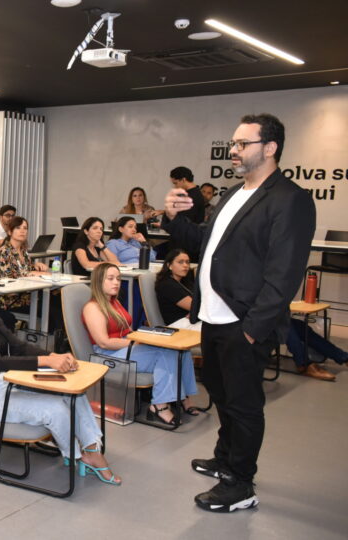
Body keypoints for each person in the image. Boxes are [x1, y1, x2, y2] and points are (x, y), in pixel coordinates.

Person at [163, 113, 316, 512]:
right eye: (233, 143)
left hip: (243, 322)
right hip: (213, 317)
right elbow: (204, 243)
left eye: (242, 143)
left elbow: (284, 273)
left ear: (270, 148)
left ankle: (241, 483)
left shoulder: (290, 199)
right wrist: (175, 218)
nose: (234, 150)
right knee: (221, 393)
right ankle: (225, 458)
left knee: (244, 404)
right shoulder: (233, 193)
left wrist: (252, 329)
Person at [0, 268, 120, 485]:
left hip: (8, 381)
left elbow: (18, 346)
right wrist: (45, 362)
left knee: (74, 394)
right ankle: (76, 455)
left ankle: (92, 451)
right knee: (56, 409)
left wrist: (53, 356)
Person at [83, 262, 199, 426]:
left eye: (118, 278)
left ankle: (183, 396)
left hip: (125, 347)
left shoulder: (114, 302)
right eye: (110, 278)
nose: (116, 282)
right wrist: (135, 341)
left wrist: (141, 338)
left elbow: (127, 330)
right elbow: (104, 342)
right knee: (167, 353)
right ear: (98, 281)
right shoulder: (93, 308)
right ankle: (159, 406)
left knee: (181, 351)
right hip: (108, 356)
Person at [0, 217, 48, 327]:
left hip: (27, 297)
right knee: (51, 311)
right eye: (18, 228)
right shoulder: (4, 252)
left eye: (25, 228)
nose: (22, 231)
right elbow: (7, 280)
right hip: (10, 301)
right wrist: (30, 274)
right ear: (9, 232)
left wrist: (36, 267)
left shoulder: (23, 252)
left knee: (56, 304)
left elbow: (23, 269)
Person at [154, 249, 196, 326]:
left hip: (191, 321)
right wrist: (196, 313)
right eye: (180, 262)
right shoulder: (167, 285)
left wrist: (195, 313)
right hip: (179, 324)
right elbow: (196, 307)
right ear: (169, 265)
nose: (185, 265)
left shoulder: (185, 281)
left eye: (187, 262)